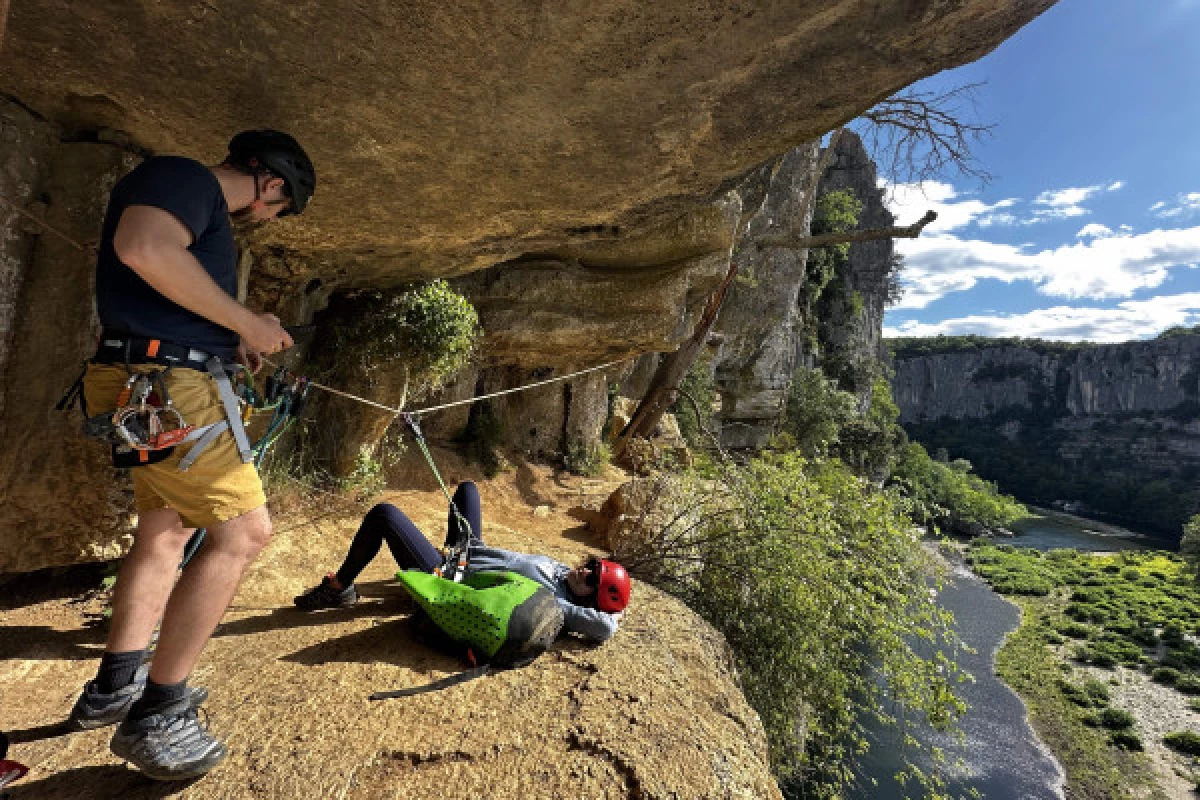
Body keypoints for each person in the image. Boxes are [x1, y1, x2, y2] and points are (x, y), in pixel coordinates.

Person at [67, 130, 316, 781]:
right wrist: (244, 323)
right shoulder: (186, 179)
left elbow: (160, 287)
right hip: (170, 390)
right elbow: (143, 247)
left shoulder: (190, 198)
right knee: (243, 534)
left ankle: (114, 686)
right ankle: (158, 714)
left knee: (164, 531)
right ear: (271, 183)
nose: (264, 217)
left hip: (145, 384)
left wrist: (228, 341)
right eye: (277, 207)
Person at [294, 481, 631, 642]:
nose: (585, 570)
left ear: (589, 598)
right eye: (592, 565)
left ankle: (340, 587)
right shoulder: (563, 573)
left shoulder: (555, 605)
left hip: (450, 579)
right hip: (468, 551)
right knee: (467, 490)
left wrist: (612, 615)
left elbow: (602, 628)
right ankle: (440, 552)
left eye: (591, 579)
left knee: (385, 515)